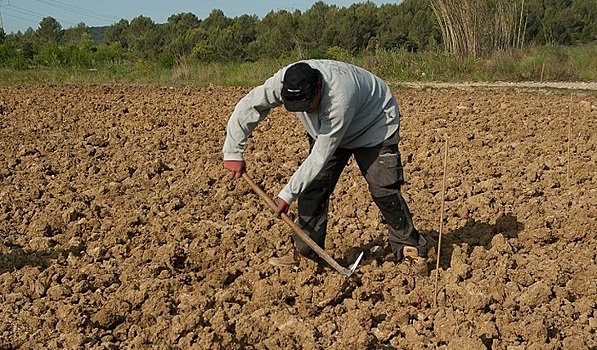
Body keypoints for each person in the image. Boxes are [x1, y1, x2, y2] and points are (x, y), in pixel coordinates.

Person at [222, 59, 428, 276]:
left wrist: (286, 195)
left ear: (318, 88)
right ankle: (305, 254)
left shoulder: (339, 98)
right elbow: (249, 105)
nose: (306, 112)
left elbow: (320, 155)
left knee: (384, 189)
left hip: (374, 125)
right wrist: (233, 151)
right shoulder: (283, 82)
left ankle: (411, 250)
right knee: (313, 188)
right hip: (326, 130)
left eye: (308, 105)